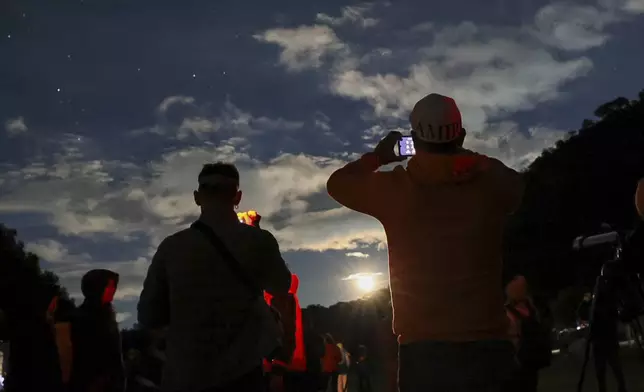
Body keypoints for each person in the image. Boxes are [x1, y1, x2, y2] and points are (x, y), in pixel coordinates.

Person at [326, 93, 522, 391]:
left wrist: (377, 158)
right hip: (489, 345)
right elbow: (516, 187)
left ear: (415, 140)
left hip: (424, 350)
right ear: (461, 134)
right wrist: (465, 157)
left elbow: (337, 183)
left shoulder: (397, 190)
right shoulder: (489, 183)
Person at [138, 162, 291, 392]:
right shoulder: (259, 241)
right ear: (237, 197)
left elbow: (148, 315)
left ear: (197, 197)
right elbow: (281, 285)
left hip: (185, 375)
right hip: (244, 374)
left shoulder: (171, 247)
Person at [70, 269, 125, 392]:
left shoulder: (108, 317)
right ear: (96, 289)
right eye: (109, 286)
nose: (113, 290)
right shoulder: (81, 318)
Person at [504, 275, 551, 392]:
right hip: (532, 360)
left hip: (519, 360)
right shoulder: (532, 310)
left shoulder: (509, 312)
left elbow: (512, 338)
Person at [591, 274, 628, 392]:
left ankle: (620, 388)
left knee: (613, 368)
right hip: (601, 340)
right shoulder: (599, 302)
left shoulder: (607, 301)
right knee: (603, 370)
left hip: (606, 339)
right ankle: (615, 388)